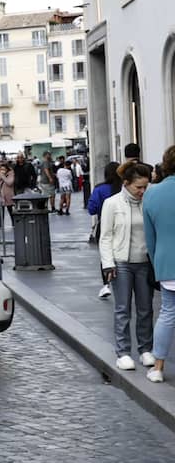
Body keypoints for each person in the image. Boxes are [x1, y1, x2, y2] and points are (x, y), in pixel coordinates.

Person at [99, 160, 155, 373]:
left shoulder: (148, 201)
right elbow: (105, 237)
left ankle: (145, 349)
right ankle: (123, 352)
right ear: (126, 183)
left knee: (146, 309)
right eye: (138, 187)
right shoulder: (112, 203)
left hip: (144, 262)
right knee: (122, 309)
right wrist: (108, 264)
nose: (142, 191)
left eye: (145, 186)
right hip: (120, 263)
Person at [144, 147, 175, 383]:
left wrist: (157, 263)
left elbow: (150, 237)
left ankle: (158, 367)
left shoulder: (152, 194)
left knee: (167, 314)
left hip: (166, 261)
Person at [88, 162, 123, 298]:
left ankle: (106, 285)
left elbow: (91, 209)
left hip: (104, 225)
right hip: (123, 223)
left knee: (106, 254)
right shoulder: (124, 187)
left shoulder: (100, 189)